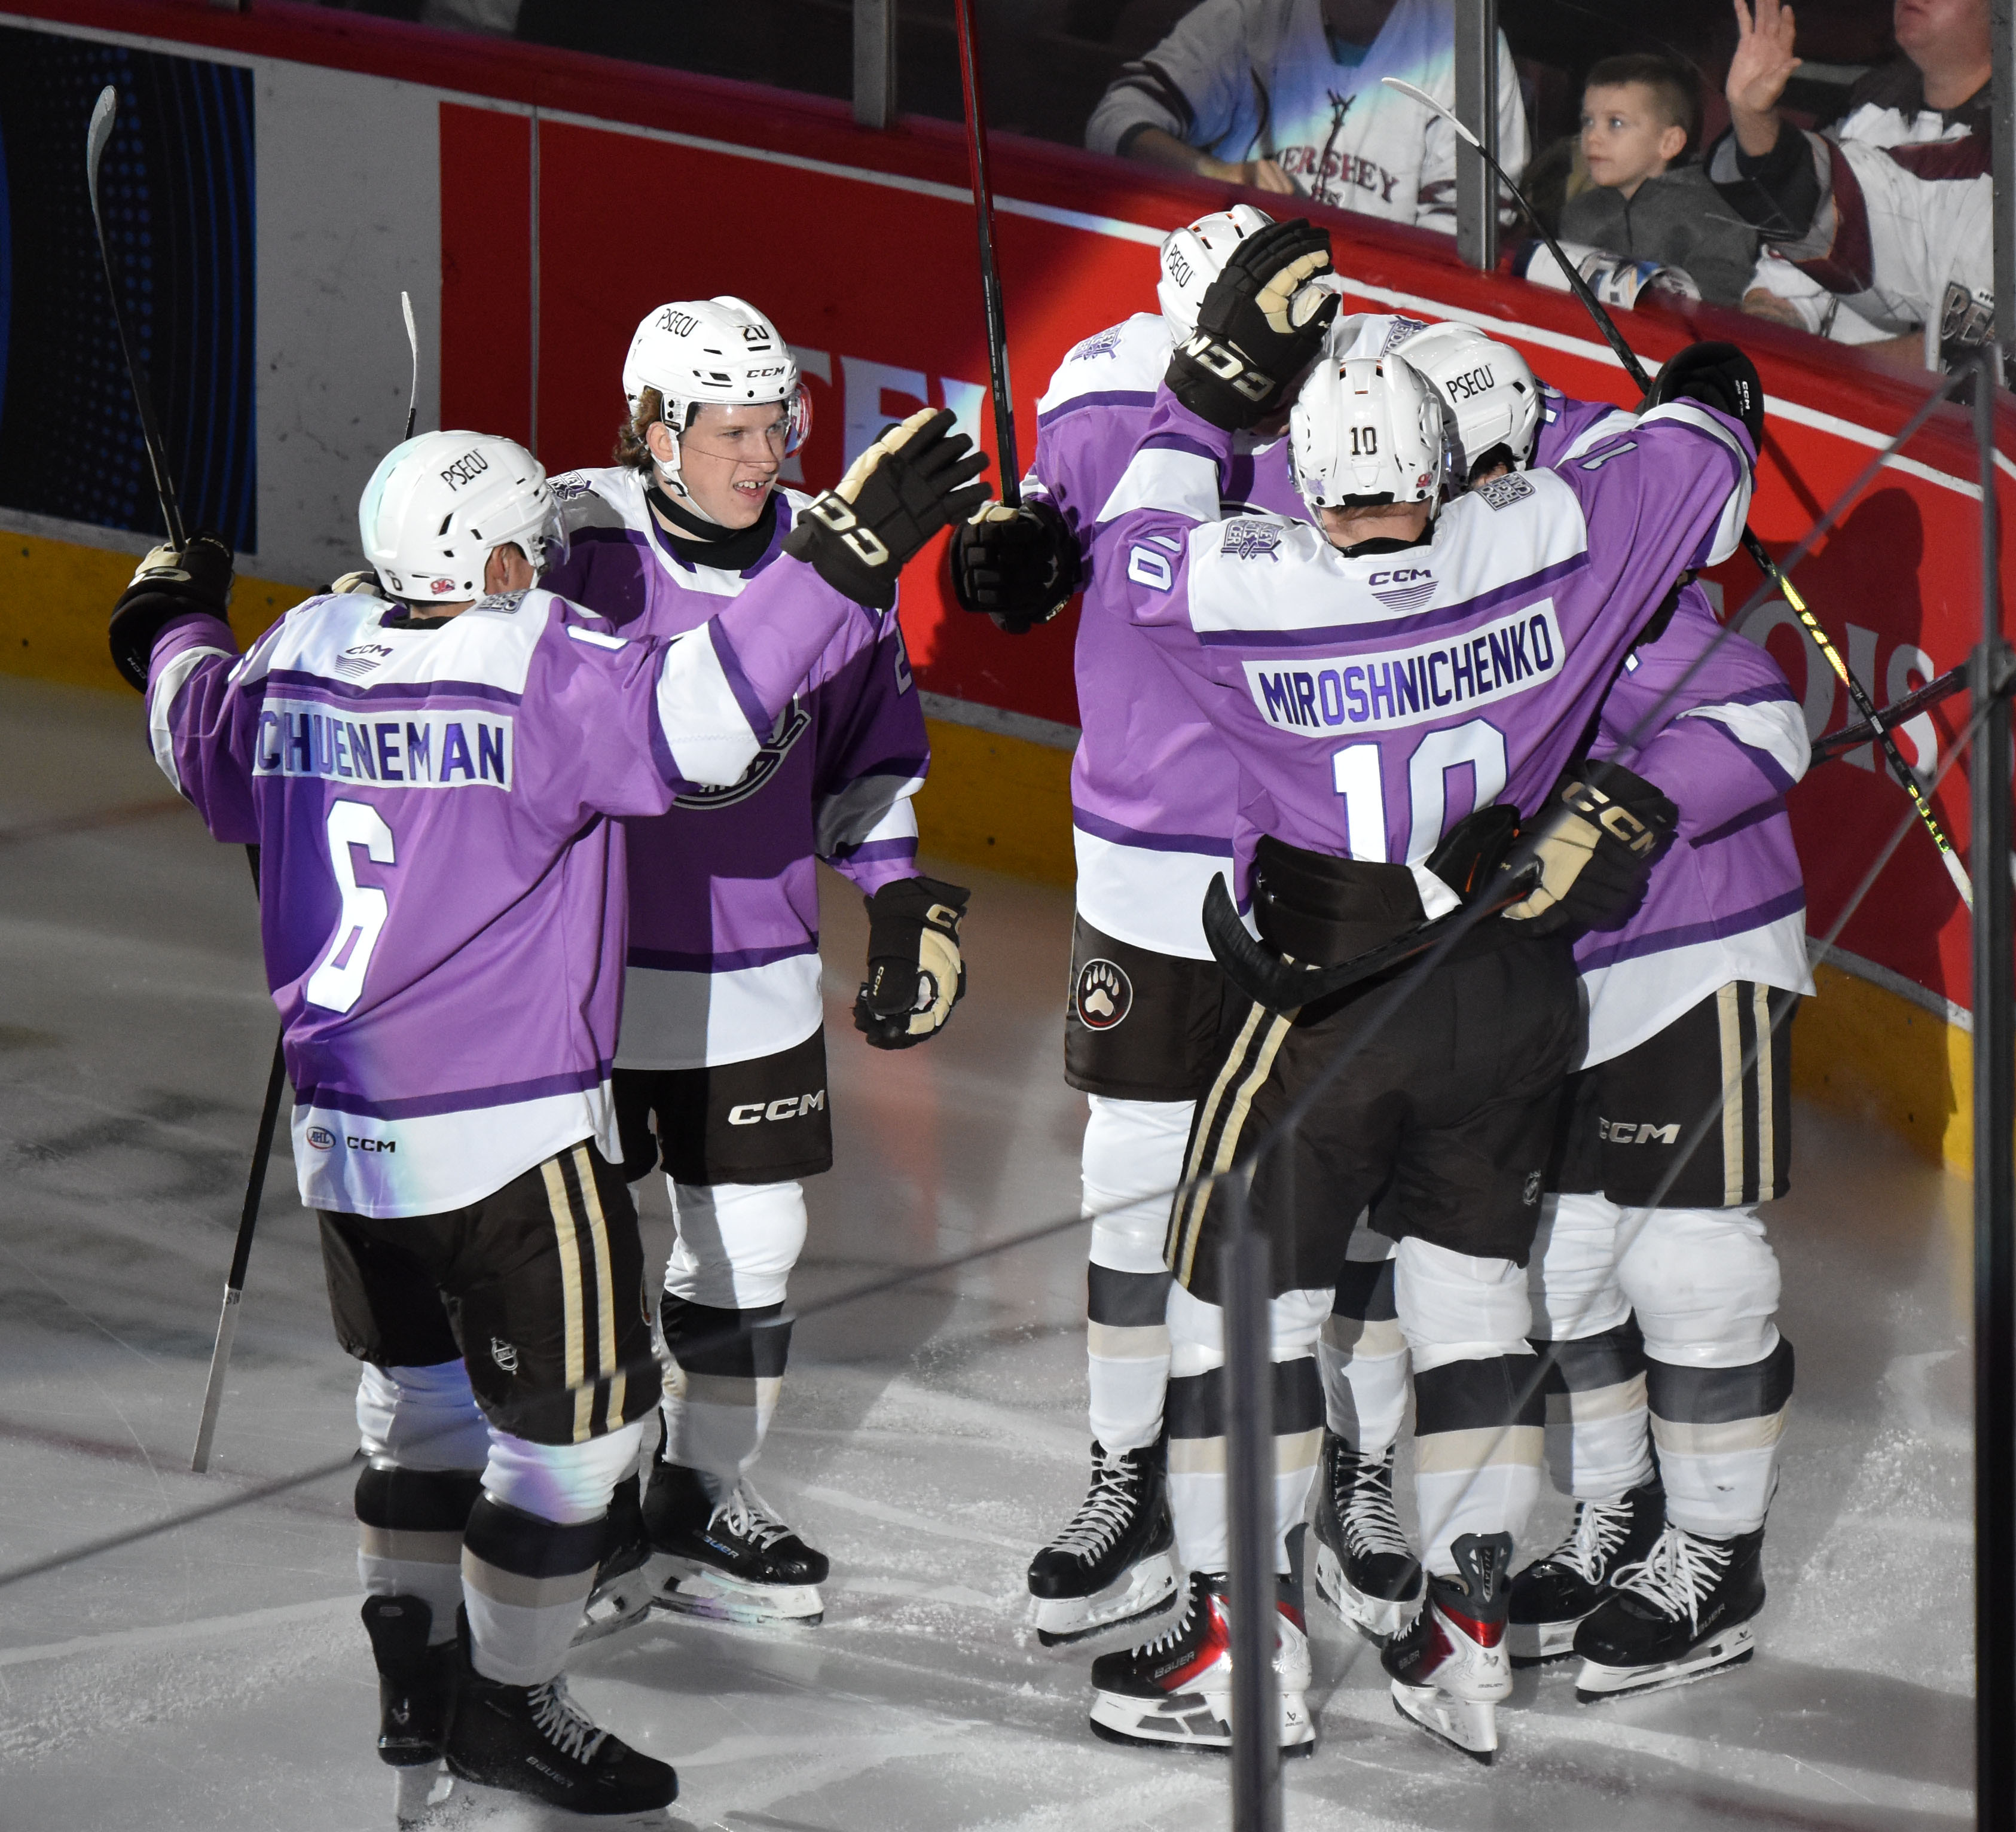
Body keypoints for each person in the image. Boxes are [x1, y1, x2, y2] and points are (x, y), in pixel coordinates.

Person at [108, 414, 986, 1815]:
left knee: (415, 1412)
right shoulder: (533, 663)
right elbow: (705, 719)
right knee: (579, 1443)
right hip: (509, 1136)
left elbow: (189, 720)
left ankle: (416, 1690)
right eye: (535, 549)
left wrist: (170, 616)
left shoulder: (295, 652)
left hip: (346, 1135)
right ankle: (506, 1704)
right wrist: (841, 557)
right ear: (499, 560)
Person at [1075, 219, 1761, 1759]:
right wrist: (1706, 385)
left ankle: (1237, 1649)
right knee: (1472, 1310)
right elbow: (1701, 456)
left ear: (1308, 487)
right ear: (1446, 468)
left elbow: (1132, 551)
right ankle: (1466, 1643)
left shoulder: (1244, 585)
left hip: (1329, 986)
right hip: (1507, 983)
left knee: (1237, 1309)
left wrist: (1202, 397)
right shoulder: (1550, 536)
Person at [540, 298, 969, 1633]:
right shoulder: (569, 537)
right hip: (585, 974)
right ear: (653, 429)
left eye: (779, 425)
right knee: (584, 1266)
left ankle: (701, 1491)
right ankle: (594, 1504)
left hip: (754, 970)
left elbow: (867, 766)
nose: (764, 455)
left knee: (755, 1243)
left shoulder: (837, 562)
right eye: (732, 430)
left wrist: (900, 900)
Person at [952, 204, 1312, 1648]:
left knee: (1308, 1196)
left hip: (1304, 854)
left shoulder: (1355, 389)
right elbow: (1053, 529)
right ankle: (1126, 1477)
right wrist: (1015, 552)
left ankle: (1309, 1503)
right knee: (1128, 1183)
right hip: (1138, 854)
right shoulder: (1102, 386)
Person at [1085, 0, 1528, 237]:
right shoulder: (1250, 13)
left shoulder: (1469, 44)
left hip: (1378, 319)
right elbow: (1114, 122)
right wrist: (1213, 172)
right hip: (1235, 282)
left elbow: (1467, 237)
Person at [1711, 0, 1993, 371]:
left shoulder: (1999, 153)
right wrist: (1761, 350)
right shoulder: (1869, 102)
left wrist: (1818, 369)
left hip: (1903, 403)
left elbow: (1979, 357)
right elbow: (1791, 275)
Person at [1554, 54, 1759, 307]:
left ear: (1669, 143)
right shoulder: (1581, 213)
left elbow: (1716, 312)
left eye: (1616, 123)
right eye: (1588, 121)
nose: (1592, 137)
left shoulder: (1714, 220)